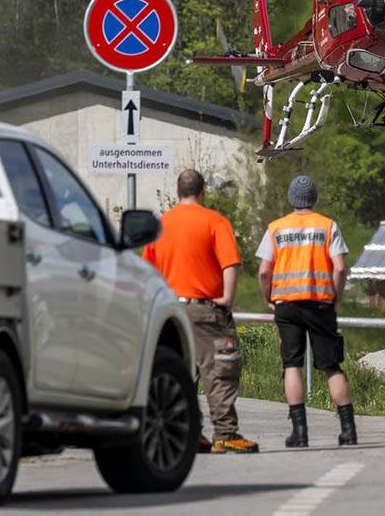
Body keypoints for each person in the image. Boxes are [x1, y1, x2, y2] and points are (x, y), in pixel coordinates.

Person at [142, 169, 259, 454]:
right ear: (202, 191)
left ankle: (189, 433)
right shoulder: (214, 221)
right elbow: (230, 263)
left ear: (178, 191)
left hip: (169, 314)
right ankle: (226, 434)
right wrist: (227, 299)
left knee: (182, 375)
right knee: (220, 371)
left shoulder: (160, 224)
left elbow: (148, 272)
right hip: (206, 312)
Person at [256, 175, 357, 447]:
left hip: (287, 305)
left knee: (292, 365)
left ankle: (300, 433)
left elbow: (265, 271)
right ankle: (348, 430)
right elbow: (339, 268)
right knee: (331, 366)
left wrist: (269, 298)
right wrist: (336, 297)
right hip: (320, 304)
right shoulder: (327, 226)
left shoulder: (276, 228)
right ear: (314, 198)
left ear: (291, 198)